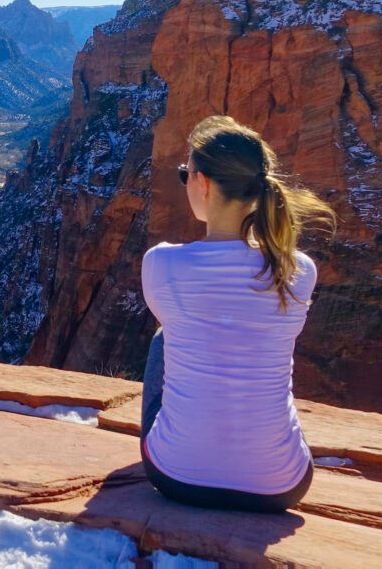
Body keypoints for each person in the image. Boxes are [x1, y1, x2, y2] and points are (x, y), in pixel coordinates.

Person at [139, 114, 334, 513]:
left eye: (185, 174)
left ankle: (195, 446)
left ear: (204, 183)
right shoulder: (298, 270)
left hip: (176, 477)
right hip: (280, 485)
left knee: (165, 338)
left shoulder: (162, 265)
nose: (185, 182)